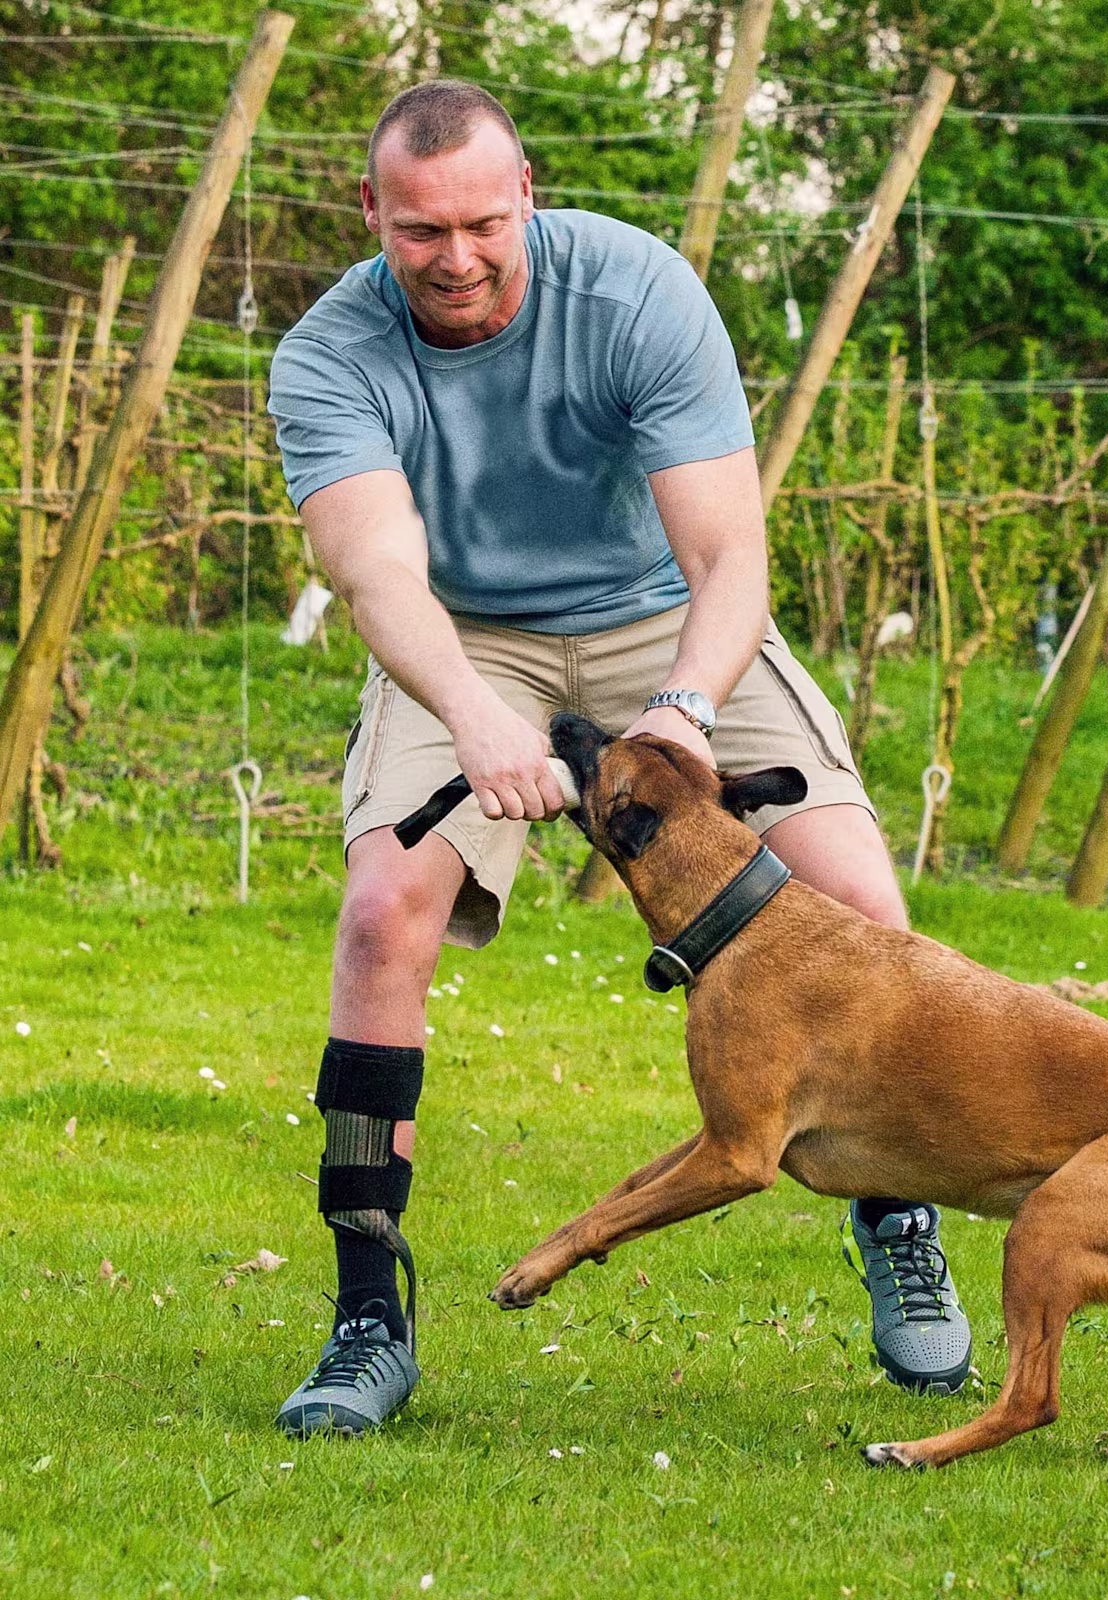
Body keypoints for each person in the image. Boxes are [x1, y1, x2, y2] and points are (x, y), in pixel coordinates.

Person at [266, 79, 971, 1437]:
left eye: (483, 221)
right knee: (381, 917)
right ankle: (367, 1313)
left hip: (667, 620)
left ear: (527, 193)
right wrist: (475, 714)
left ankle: (898, 1221)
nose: (456, 258)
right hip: (462, 638)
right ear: (373, 216)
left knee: (868, 909)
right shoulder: (330, 353)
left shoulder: (637, 292)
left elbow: (728, 557)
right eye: (420, 233)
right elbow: (376, 570)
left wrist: (689, 710)